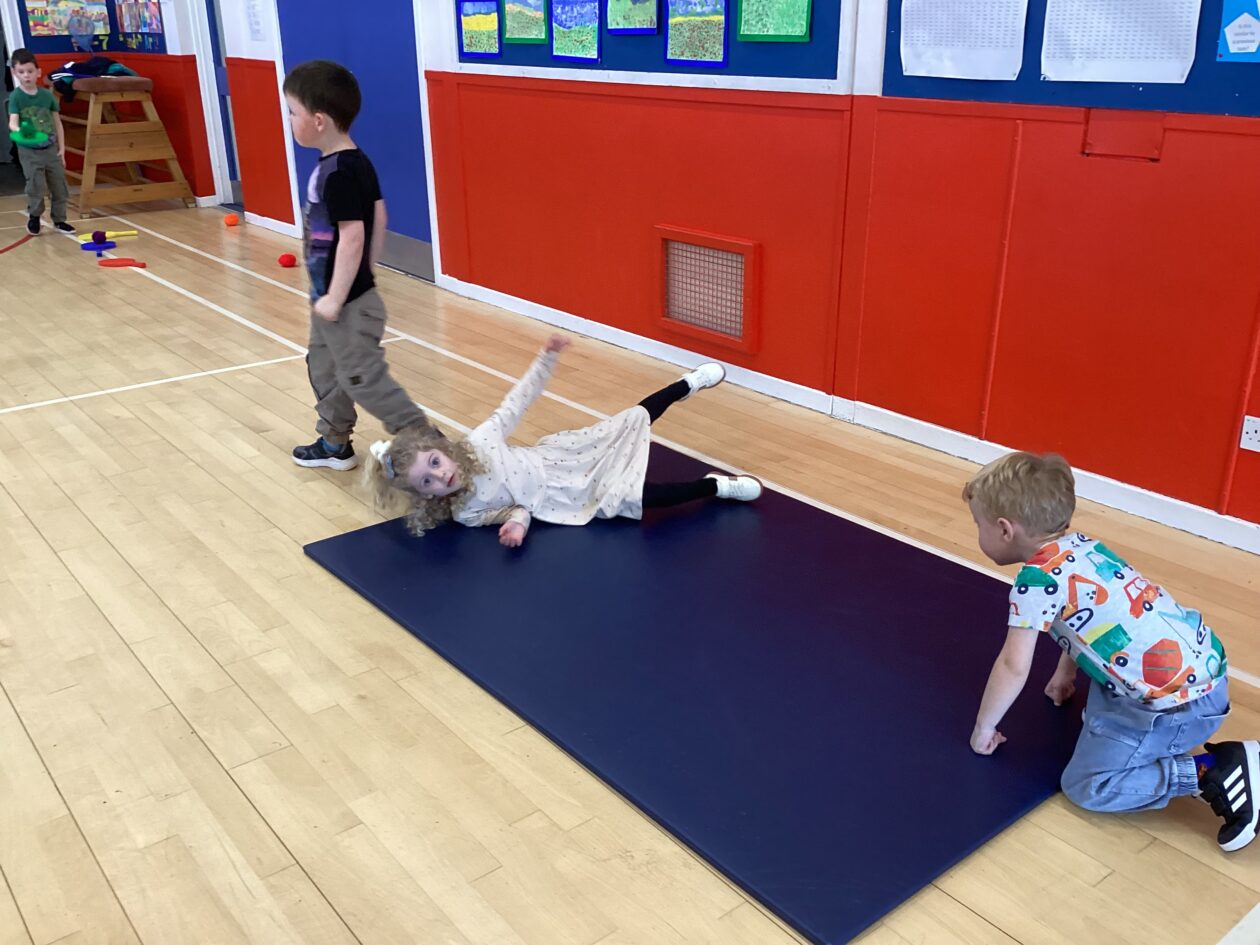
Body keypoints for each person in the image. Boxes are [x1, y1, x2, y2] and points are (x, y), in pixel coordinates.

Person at [964, 450, 1258, 852]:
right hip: (1204, 674)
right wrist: (1065, 673)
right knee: (1095, 720)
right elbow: (1093, 624)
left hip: (1178, 708)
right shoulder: (1083, 547)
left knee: (1086, 786)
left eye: (977, 524)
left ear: (1004, 529)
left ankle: (1213, 770)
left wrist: (984, 727)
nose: (977, 532)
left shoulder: (1034, 582)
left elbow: (1013, 665)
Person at [363, 334, 761, 546]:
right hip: (567, 499)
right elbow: (514, 510)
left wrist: (546, 358)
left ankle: (686, 384)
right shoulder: (465, 513)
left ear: (443, 449)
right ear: (425, 496)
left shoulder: (482, 442)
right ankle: (714, 486)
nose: (440, 476)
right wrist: (518, 527)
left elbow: (518, 400)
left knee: (630, 420)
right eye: (427, 481)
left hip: (564, 458)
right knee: (637, 499)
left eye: (435, 463)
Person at [282, 59, 436, 471]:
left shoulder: (338, 173)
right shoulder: (353, 161)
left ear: (318, 121)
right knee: (324, 367)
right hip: (334, 299)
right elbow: (379, 216)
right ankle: (334, 443)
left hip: (345, 304)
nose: (290, 120)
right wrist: (363, 272)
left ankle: (429, 445)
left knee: (361, 377)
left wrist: (339, 294)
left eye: (293, 112)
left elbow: (353, 235)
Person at [7, 49, 74, 236]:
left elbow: (57, 123)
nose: (26, 76)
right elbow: (13, 123)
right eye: (21, 72)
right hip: (29, 151)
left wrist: (62, 148)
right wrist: (24, 132)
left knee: (59, 185)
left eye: (30, 71)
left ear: (38, 72)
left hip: (51, 149)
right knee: (36, 185)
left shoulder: (47, 96)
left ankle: (59, 220)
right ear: (14, 73)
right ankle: (35, 217)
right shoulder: (16, 97)